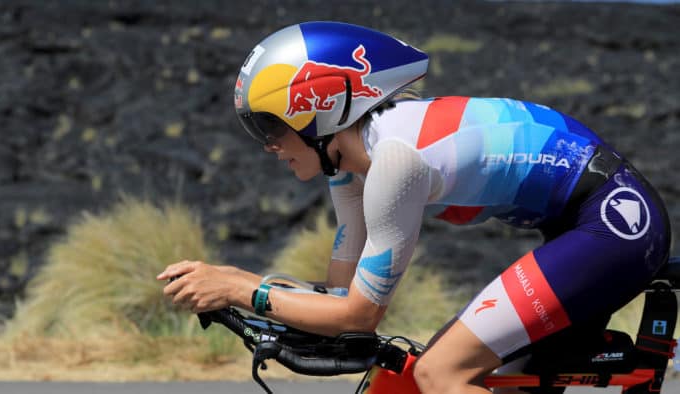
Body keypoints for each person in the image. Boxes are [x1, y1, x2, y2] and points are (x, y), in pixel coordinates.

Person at [157, 21, 671, 394]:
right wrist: (239, 286)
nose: (267, 145)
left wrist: (242, 287)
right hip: (576, 229)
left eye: (270, 128)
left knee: (440, 375)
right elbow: (342, 298)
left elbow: (358, 314)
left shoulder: (396, 160)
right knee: (432, 376)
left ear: (317, 110)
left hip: (610, 225)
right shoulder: (351, 166)